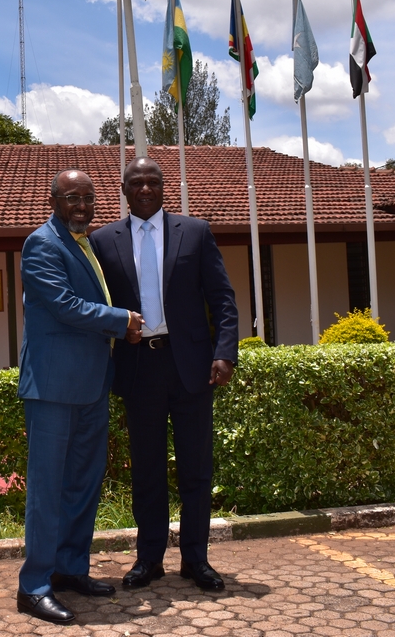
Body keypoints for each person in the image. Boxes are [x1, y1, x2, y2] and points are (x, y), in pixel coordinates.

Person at [90, 156, 238, 591]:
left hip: (191, 367)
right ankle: (149, 559)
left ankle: (196, 560)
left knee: (196, 468)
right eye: (136, 182)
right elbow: (97, 305)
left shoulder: (196, 232)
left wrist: (225, 352)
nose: (145, 189)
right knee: (147, 470)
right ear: (124, 189)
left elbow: (223, 298)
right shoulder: (103, 241)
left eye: (152, 181)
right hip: (139, 367)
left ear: (163, 187)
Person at [16, 169, 144, 624]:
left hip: (91, 385)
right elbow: (65, 306)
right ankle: (34, 587)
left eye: (89, 198)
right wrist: (122, 321)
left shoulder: (84, 243)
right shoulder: (42, 245)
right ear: (53, 200)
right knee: (48, 489)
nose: (82, 206)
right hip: (53, 388)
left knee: (82, 484)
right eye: (73, 198)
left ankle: (70, 569)